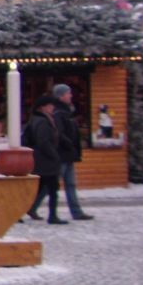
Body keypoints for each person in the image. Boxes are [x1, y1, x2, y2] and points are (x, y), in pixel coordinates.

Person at [50, 84, 94, 220]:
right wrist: (69, 143)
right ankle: (34, 208)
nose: (71, 95)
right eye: (68, 93)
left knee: (69, 183)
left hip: (68, 153)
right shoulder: (58, 112)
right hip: (62, 153)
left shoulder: (67, 111)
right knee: (51, 184)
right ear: (61, 96)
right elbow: (59, 132)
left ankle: (76, 211)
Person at [23, 94, 64, 224]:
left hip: (41, 160)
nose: (52, 108)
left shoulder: (37, 119)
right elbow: (43, 141)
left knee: (39, 189)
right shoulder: (43, 122)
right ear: (43, 108)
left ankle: (29, 210)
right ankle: (53, 216)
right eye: (50, 105)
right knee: (52, 189)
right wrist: (54, 155)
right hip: (46, 161)